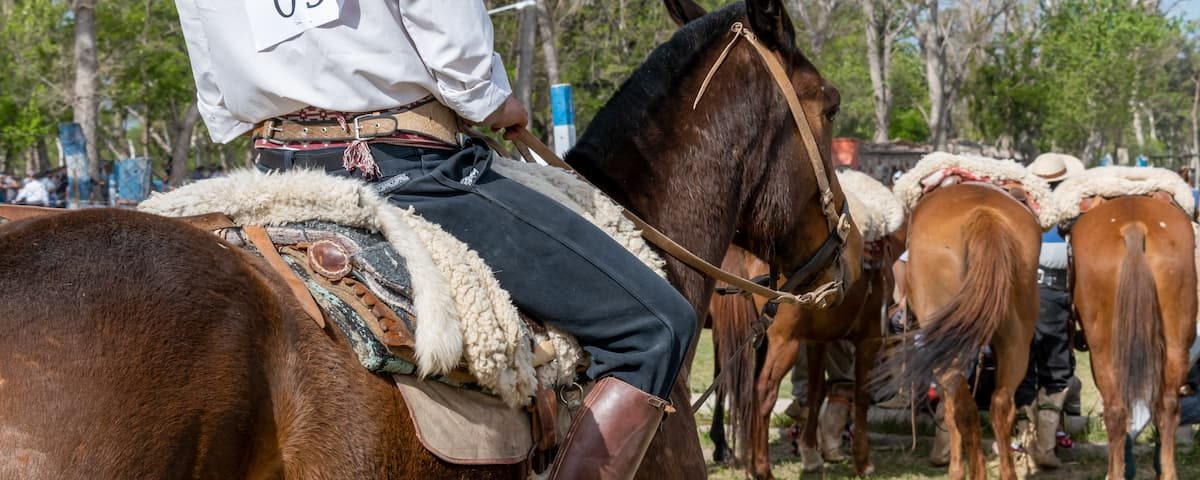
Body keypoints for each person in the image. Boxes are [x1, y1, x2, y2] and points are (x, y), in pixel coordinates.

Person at [174, 2, 697, 478]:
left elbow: (216, 92)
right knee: (657, 326)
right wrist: (490, 100)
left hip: (272, 172)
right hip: (405, 170)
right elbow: (446, 29)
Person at [1018, 153, 1085, 469]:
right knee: (1055, 370)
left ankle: (1021, 444)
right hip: (1054, 296)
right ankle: (1044, 447)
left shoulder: (1019, 209)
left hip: (1019, 293)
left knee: (1020, 366)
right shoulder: (1070, 216)